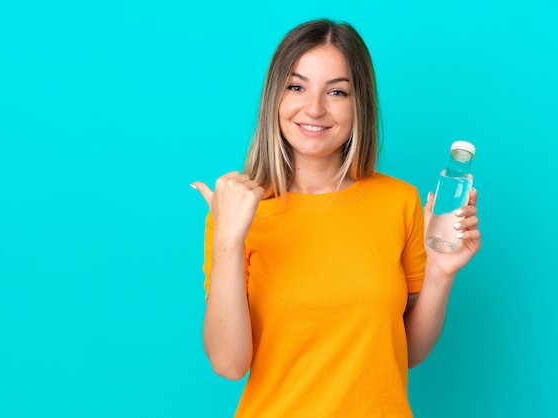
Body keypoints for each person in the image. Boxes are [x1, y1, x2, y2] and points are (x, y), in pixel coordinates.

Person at [191, 18, 480, 417]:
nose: (314, 108)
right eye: (296, 86)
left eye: (337, 92)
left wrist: (441, 272)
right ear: (274, 97)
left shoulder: (399, 201)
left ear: (358, 102)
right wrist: (228, 239)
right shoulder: (239, 211)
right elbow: (228, 364)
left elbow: (405, 352)